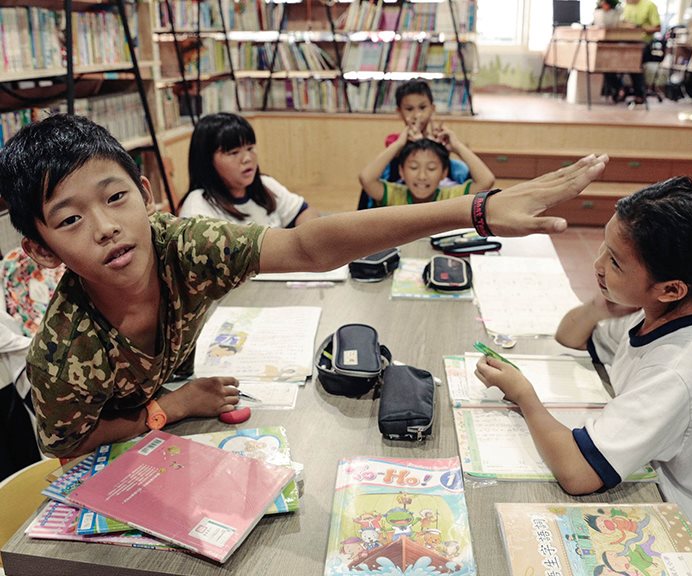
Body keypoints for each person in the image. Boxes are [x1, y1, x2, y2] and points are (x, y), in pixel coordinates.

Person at [0, 114, 607, 459]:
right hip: (111, 452)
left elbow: (307, 245)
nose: (107, 228)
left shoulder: (176, 244)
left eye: (115, 198)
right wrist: (171, 406)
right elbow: (69, 449)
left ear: (146, 193)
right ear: (40, 246)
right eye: (71, 219)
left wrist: (474, 209)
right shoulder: (64, 348)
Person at [475, 177, 692, 573]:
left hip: (683, 539)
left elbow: (578, 473)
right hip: (651, 496)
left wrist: (524, 396)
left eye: (616, 261)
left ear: (670, 289)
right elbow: (570, 337)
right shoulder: (660, 309)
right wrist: (599, 306)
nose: (598, 263)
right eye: (604, 245)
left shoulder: (681, 366)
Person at [178, 112, 320, 227]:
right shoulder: (197, 207)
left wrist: (308, 237)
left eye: (250, 148)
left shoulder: (265, 184)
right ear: (207, 161)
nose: (247, 158)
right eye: (233, 153)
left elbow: (305, 212)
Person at [358, 128, 495, 206]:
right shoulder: (394, 195)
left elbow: (486, 181)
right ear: (401, 171)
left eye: (431, 168)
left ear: (444, 173)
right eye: (413, 167)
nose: (422, 176)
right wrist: (399, 144)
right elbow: (366, 179)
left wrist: (457, 146)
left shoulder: (450, 198)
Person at [381, 79, 470, 186]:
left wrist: (440, 148)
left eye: (422, 108)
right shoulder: (394, 141)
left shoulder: (440, 139)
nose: (417, 115)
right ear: (399, 112)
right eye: (409, 109)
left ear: (432, 109)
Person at [604, 0, 661, 105]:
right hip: (625, 42)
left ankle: (639, 95)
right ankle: (620, 88)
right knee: (606, 60)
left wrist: (639, 28)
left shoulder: (649, 5)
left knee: (634, 60)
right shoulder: (625, 7)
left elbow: (658, 27)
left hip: (643, 44)